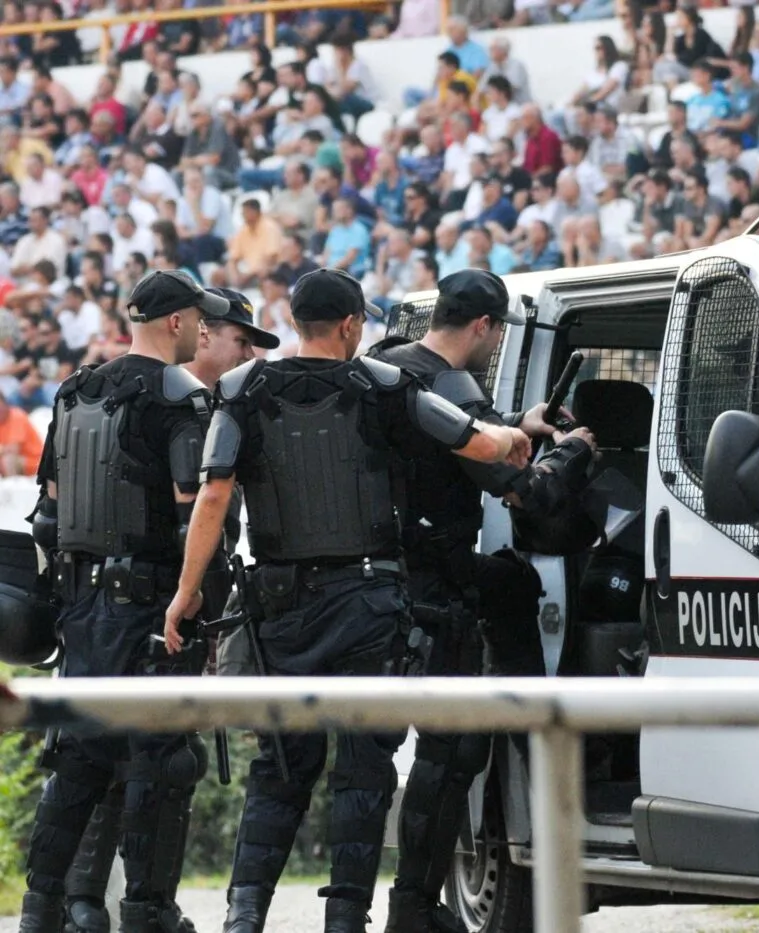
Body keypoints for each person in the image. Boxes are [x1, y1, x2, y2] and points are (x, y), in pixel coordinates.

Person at [163, 269, 529, 933]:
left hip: (280, 611)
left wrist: (186, 593)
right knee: (363, 770)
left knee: (278, 770)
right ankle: (345, 918)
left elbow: (213, 494)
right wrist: (514, 438)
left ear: (296, 320)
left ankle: (244, 917)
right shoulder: (386, 385)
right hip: (367, 606)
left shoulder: (242, 389)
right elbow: (474, 441)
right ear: (355, 324)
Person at [369, 270, 598, 932]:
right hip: (435, 596)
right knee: (451, 755)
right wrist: (572, 455)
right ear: (484, 328)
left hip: (375, 589)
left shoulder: (386, 370)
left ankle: (379, 908)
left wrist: (513, 423)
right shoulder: (452, 386)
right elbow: (530, 493)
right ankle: (412, 908)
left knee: (374, 764)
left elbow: (456, 439)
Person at [17, 271, 229, 933]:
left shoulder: (75, 390)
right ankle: (148, 910)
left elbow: (47, 510)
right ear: (175, 322)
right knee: (160, 760)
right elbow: (194, 513)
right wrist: (200, 600)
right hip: (149, 611)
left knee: (78, 760)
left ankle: (40, 909)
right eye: (200, 319)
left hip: (82, 610)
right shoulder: (179, 398)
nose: (204, 330)